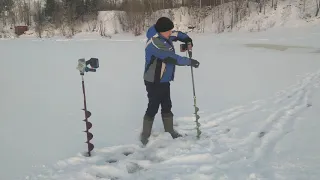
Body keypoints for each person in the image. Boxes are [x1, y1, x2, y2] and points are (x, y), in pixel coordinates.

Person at [140, 17, 200, 145]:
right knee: (153, 106)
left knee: (167, 104)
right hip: (153, 80)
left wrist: (187, 40)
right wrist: (190, 62)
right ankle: (145, 135)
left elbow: (178, 34)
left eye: (170, 30)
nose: (170, 33)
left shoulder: (164, 34)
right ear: (161, 31)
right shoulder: (155, 43)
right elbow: (172, 58)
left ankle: (170, 130)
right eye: (168, 31)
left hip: (164, 79)